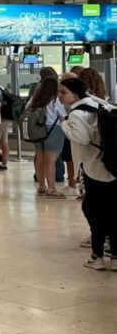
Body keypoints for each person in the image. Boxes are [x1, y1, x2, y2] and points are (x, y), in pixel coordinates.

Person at [59, 77, 117, 270]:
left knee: (95, 212)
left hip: (93, 168)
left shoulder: (76, 114)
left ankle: (97, 256)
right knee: (111, 211)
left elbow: (82, 139)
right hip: (111, 166)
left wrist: (64, 125)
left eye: (63, 92)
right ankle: (115, 256)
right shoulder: (97, 105)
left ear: (75, 95)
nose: (60, 96)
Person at [29, 77, 66, 199]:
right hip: (53, 130)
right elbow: (63, 116)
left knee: (39, 159)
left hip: (38, 131)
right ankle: (52, 189)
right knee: (50, 161)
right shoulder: (56, 100)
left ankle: (41, 186)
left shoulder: (35, 100)